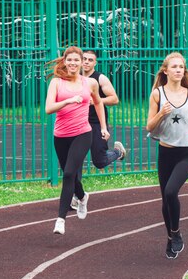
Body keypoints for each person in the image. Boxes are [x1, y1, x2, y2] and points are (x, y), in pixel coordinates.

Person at [146, 52, 188, 259]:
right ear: (166, 70)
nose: (179, 70)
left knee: (171, 191)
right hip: (165, 152)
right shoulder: (157, 94)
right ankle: (171, 238)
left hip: (186, 154)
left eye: (181, 67)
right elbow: (149, 125)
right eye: (174, 67)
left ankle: (176, 232)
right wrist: (161, 113)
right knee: (165, 199)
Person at [45, 46, 110, 235]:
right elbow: (49, 108)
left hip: (83, 133)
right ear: (65, 61)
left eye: (77, 60)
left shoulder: (90, 83)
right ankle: (82, 196)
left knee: (68, 174)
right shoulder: (57, 83)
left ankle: (60, 220)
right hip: (61, 136)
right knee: (70, 174)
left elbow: (98, 102)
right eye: (70, 60)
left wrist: (103, 128)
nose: (73, 63)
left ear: (82, 62)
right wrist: (67, 101)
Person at [69, 51, 127, 210]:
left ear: (95, 63)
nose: (86, 62)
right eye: (84, 59)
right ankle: (75, 196)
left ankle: (117, 152)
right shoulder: (73, 77)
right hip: (77, 123)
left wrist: (95, 100)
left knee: (99, 161)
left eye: (90, 60)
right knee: (75, 161)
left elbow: (114, 99)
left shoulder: (100, 78)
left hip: (95, 123)